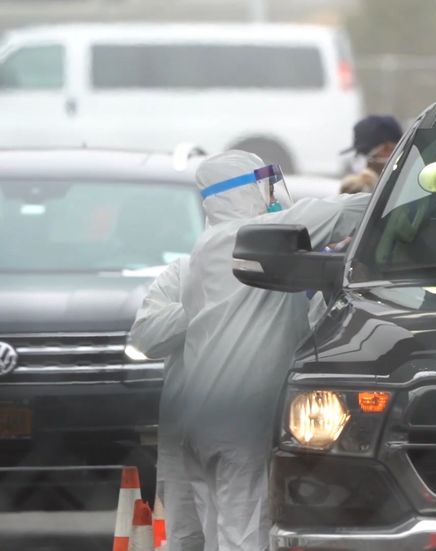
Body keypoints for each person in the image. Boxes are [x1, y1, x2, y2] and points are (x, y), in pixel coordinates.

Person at [174, 150, 369, 550]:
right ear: (244, 191)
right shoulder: (245, 236)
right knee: (246, 533)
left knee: (218, 533)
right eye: (264, 185)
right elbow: (346, 211)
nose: (272, 194)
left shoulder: (205, 249)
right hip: (240, 420)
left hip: (200, 418)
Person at [130, 258, 216, 551]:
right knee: (187, 535)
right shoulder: (186, 272)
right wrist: (206, 302)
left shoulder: (280, 272)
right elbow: (145, 337)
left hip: (256, 431)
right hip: (184, 434)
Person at [339, 114, 403, 194]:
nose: (363, 159)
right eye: (358, 153)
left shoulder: (406, 185)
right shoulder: (366, 190)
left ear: (388, 148)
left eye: (365, 152)